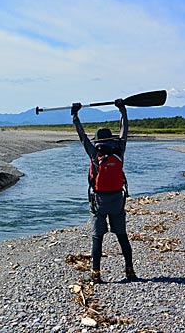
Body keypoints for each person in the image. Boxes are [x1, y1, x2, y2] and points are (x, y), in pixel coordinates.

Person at [71, 99, 137, 283]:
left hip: (99, 201)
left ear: (98, 140)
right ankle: (130, 271)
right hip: (117, 199)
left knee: (97, 238)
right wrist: (123, 110)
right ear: (111, 138)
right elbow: (125, 130)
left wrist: (75, 115)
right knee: (122, 236)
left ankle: (96, 273)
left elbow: (82, 136)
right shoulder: (119, 150)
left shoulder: (94, 153)